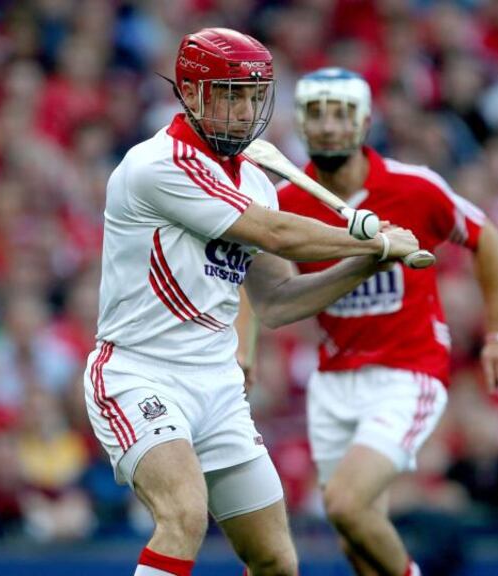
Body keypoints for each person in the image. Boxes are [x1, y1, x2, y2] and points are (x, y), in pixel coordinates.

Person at [84, 30, 424, 576]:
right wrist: (370, 238)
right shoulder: (158, 165)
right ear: (191, 94)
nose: (244, 111)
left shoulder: (256, 182)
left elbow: (279, 300)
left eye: (252, 96)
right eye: (229, 94)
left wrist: (366, 263)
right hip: (140, 374)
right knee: (185, 515)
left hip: (217, 386)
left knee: (274, 559)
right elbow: (277, 234)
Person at [269, 68, 498, 576]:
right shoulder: (288, 201)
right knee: (355, 542)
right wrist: (245, 352)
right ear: (300, 123)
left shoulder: (413, 187)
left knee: (345, 504)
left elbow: (483, 236)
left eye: (341, 115)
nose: (329, 127)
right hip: (333, 379)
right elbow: (260, 280)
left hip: (407, 372)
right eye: (317, 114)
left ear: (363, 123)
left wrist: (497, 333)